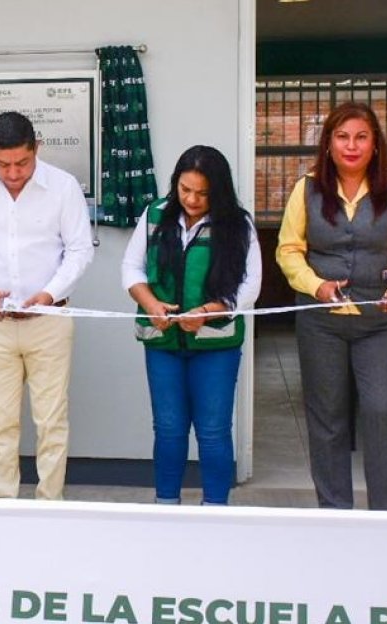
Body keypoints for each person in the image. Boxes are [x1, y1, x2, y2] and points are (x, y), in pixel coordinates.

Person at [276, 101, 387, 511]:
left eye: (361, 137)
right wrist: (315, 285)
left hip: (378, 321)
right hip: (320, 322)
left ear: (375, 144)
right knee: (327, 419)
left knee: (379, 412)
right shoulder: (306, 188)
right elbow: (288, 250)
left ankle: (384, 512)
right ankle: (335, 512)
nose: (351, 146)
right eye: (342, 137)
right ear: (328, 144)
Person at [0, 111, 94, 500]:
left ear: (36, 149)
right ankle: (4, 508)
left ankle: (50, 505)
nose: (13, 173)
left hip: (50, 319)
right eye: (3, 164)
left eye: (22, 163)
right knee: (0, 423)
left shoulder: (62, 187)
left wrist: (48, 294)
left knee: (51, 421)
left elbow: (79, 250)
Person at [121, 146, 261, 505]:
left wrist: (209, 311)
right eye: (185, 190)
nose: (192, 199)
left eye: (202, 192)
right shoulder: (154, 216)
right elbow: (131, 268)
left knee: (213, 431)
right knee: (168, 430)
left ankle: (215, 508)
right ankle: (166, 505)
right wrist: (150, 304)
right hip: (162, 341)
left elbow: (250, 286)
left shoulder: (238, 224)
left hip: (216, 345)